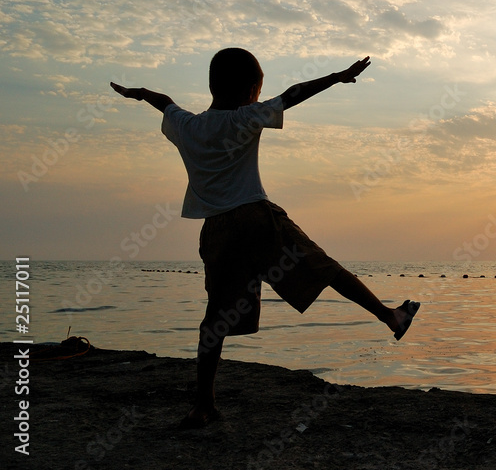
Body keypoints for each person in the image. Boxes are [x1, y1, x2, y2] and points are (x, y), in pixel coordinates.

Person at [110, 48, 419, 428]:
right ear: (250, 91)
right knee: (324, 268)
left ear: (212, 85)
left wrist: (137, 93)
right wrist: (337, 76)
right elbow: (294, 94)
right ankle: (391, 316)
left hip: (218, 231)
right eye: (258, 90)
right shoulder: (246, 116)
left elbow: (165, 103)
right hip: (256, 218)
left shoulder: (188, 126)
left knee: (214, 319)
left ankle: (203, 404)